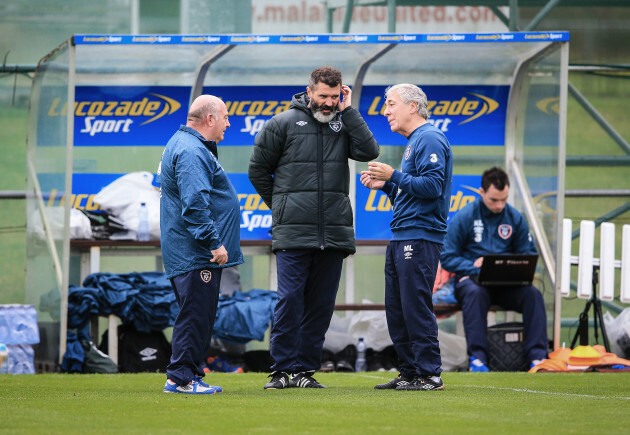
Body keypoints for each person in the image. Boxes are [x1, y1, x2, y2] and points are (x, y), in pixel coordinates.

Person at [248, 66, 379, 389]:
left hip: (333, 234)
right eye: (323, 96)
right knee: (290, 301)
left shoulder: (343, 122)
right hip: (293, 232)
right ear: (309, 93)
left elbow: (369, 151)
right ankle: (280, 370)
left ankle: (304, 372)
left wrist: (349, 112)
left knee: (320, 307)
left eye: (335, 97)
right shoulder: (282, 123)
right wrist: (282, 206)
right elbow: (258, 171)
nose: (328, 102)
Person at [361, 83, 452, 391]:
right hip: (402, 235)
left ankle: (430, 374)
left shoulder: (429, 138)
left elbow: (432, 187)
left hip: (420, 236)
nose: (386, 111)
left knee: (414, 305)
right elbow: (413, 194)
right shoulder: (415, 141)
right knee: (398, 308)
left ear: (413, 107)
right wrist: (386, 186)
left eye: (391, 104)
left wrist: (394, 176)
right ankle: (410, 372)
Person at [159, 95, 243, 394]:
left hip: (192, 250)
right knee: (195, 315)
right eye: (225, 116)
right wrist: (214, 243)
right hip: (196, 251)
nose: (229, 122)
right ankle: (181, 378)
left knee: (198, 314)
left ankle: (189, 374)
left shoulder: (188, 145)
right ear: (210, 119)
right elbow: (195, 205)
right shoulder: (192, 150)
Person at [439, 166, 548, 372]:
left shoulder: (515, 218)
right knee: (474, 293)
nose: (499, 205)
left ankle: (538, 358)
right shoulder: (465, 217)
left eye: (504, 199)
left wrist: (507, 264)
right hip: (473, 283)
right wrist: (473, 265)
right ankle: (478, 359)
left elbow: (528, 254)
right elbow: (447, 258)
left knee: (533, 294)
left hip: (507, 285)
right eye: (494, 200)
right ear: (481, 192)